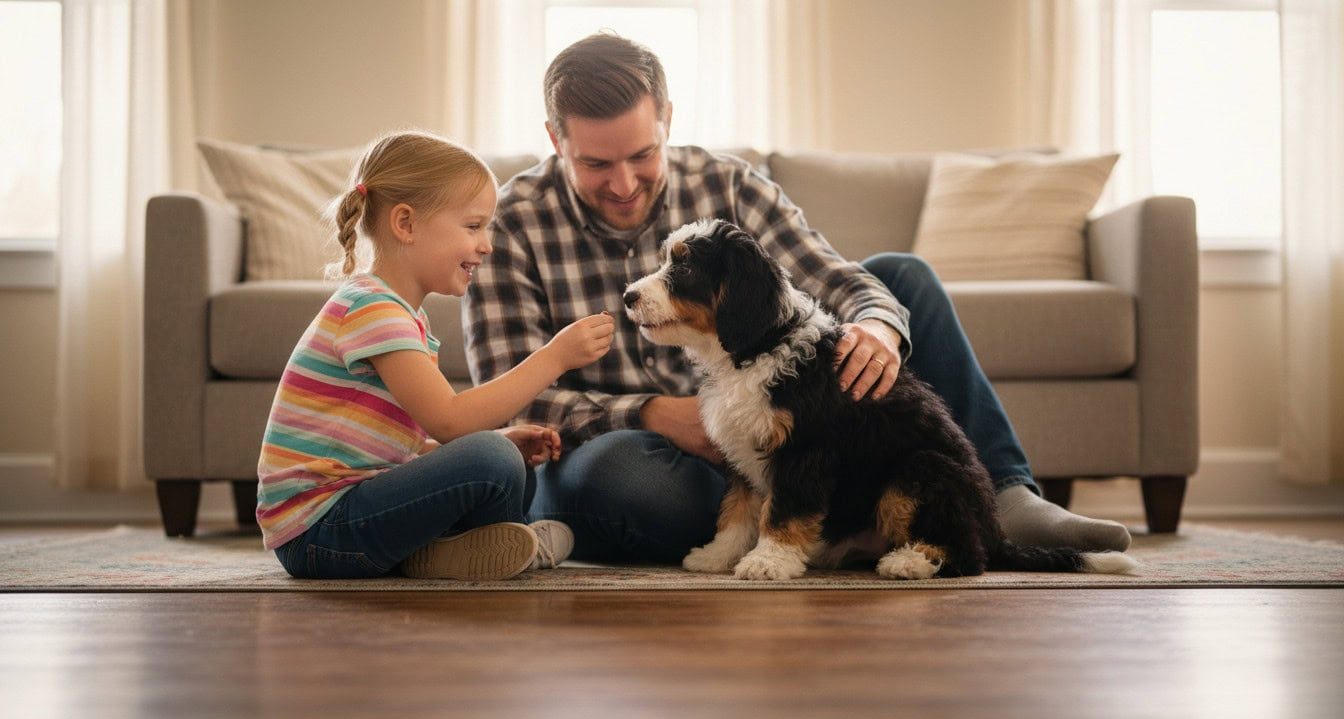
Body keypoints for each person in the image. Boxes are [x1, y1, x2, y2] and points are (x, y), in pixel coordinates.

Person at [464, 33, 1132, 565]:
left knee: (900, 280)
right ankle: (799, 527)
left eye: (642, 154)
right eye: (595, 164)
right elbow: (509, 394)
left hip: (779, 435)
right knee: (616, 479)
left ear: (667, 119)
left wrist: (878, 326)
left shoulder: (727, 183)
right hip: (651, 455)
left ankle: (1003, 496)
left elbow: (831, 276)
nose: (623, 183)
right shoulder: (513, 222)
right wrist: (652, 414)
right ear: (555, 139)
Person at [257, 130, 616, 580]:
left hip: (347, 516)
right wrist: (554, 358)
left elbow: (394, 447)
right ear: (406, 224)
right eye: (473, 226)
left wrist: (500, 439)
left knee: (510, 462)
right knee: (491, 458)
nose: (487, 244)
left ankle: (451, 551)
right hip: (320, 531)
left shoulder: (401, 314)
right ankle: (496, 540)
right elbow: (449, 420)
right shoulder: (372, 309)